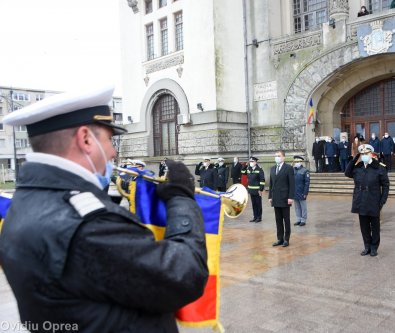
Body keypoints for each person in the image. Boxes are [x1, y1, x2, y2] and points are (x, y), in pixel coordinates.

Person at [0, 85, 208, 332]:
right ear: (85, 139)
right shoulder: (90, 224)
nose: (113, 151)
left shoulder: (24, 202)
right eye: (109, 139)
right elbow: (184, 276)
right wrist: (181, 199)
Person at [345, 144, 390, 257]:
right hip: (361, 201)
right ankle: (367, 246)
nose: (365, 155)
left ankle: (374, 247)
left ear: (371, 154)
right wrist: (355, 158)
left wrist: (382, 201)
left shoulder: (379, 167)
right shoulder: (358, 166)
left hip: (374, 200)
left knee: (375, 227)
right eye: (363, 154)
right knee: (364, 227)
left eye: (366, 153)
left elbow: (386, 185)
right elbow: (347, 173)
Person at [269, 150, 295, 247]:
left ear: (283, 157)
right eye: (276, 156)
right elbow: (271, 184)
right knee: (278, 219)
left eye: (279, 156)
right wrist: (270, 196)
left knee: (286, 219)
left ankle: (286, 239)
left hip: (285, 198)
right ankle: (280, 238)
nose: (277, 157)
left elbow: (292, 184)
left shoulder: (288, 168)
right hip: (275, 198)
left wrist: (291, 197)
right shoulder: (272, 168)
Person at [246, 156, 265, 223]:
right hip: (251, 190)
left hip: (257, 191)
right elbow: (243, 172)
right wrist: (245, 165)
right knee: (253, 204)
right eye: (250, 161)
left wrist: (261, 189)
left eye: (252, 161)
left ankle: (259, 217)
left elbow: (262, 180)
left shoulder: (259, 169)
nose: (251, 162)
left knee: (258, 204)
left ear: (255, 162)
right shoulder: (248, 168)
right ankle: (255, 217)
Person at [292, 156, 310, 226]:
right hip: (294, 191)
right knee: (297, 207)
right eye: (295, 162)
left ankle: (303, 219)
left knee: (303, 206)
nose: (296, 163)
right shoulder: (293, 170)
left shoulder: (305, 170)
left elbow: (307, 182)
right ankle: (298, 219)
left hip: (302, 191)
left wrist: (305, 192)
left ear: (301, 162)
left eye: (297, 162)